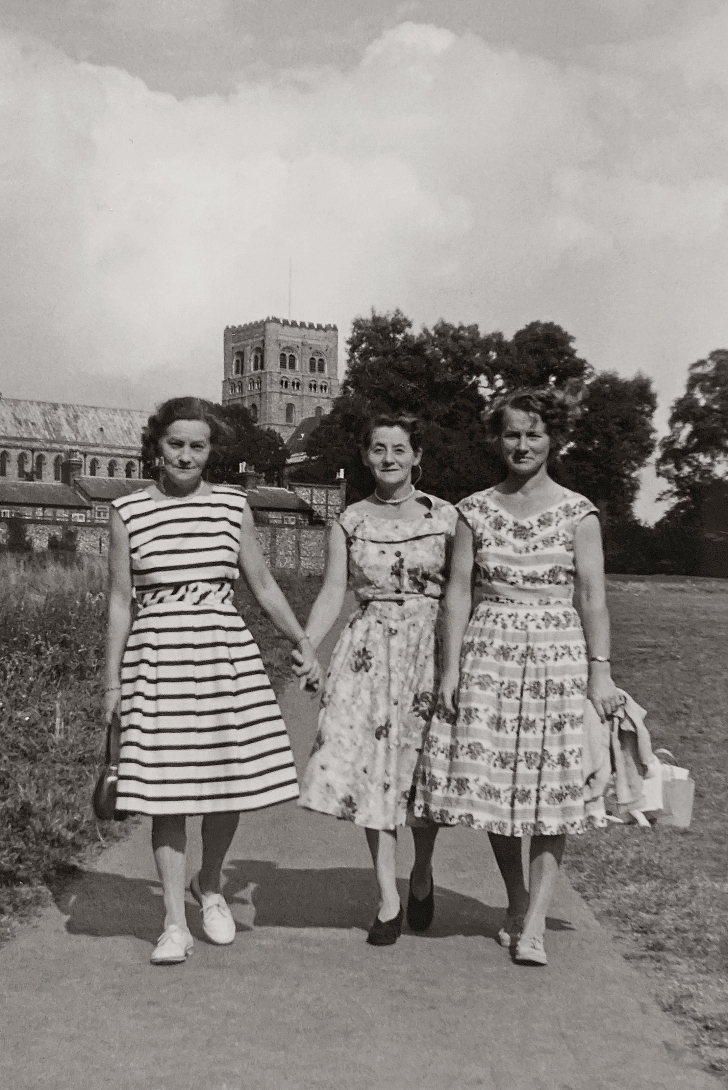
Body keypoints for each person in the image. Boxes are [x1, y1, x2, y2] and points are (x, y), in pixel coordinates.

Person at [105, 397, 321, 965]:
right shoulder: (127, 513)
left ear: (210, 452)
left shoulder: (231, 506)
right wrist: (111, 684)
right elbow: (120, 602)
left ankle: (213, 886)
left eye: (196, 445)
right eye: (175, 443)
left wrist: (301, 643)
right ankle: (174, 922)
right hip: (156, 658)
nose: (185, 454)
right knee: (167, 792)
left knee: (229, 780)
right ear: (156, 445)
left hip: (224, 652)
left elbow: (265, 586)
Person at [413, 388, 621, 966]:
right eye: (511, 434)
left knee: (550, 791)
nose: (522, 445)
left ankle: (534, 926)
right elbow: (456, 593)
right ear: (496, 439)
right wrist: (449, 669)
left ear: (554, 439)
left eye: (533, 434)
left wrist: (600, 674)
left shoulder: (579, 512)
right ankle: (515, 900)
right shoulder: (473, 510)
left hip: (557, 655)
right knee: (496, 787)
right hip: (490, 651)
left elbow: (592, 597)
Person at [297, 414, 458, 945]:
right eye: (378, 449)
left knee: (422, 771)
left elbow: (462, 595)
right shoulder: (348, 521)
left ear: (417, 456)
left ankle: (424, 868)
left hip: (426, 650)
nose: (389, 458)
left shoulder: (446, 517)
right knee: (374, 774)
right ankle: (387, 896)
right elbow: (332, 592)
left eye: (399, 449)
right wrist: (308, 646)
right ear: (365, 456)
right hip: (368, 651)